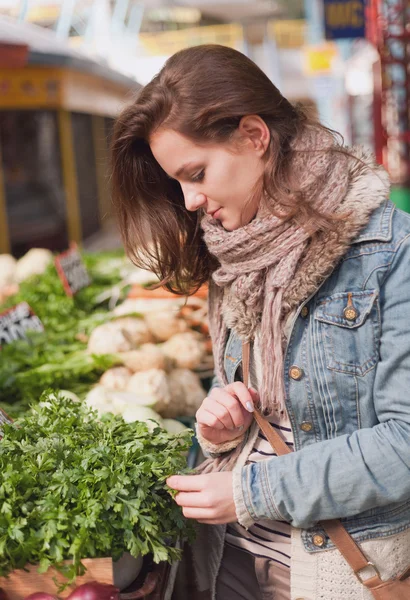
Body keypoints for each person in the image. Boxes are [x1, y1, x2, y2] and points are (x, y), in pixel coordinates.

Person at [111, 44, 410, 600]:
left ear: (254, 135)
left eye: (196, 173)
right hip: (228, 559)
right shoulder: (233, 254)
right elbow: (267, 409)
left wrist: (253, 489)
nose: (190, 200)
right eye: (176, 183)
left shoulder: (392, 254)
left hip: (333, 572)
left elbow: (404, 445)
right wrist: (220, 424)